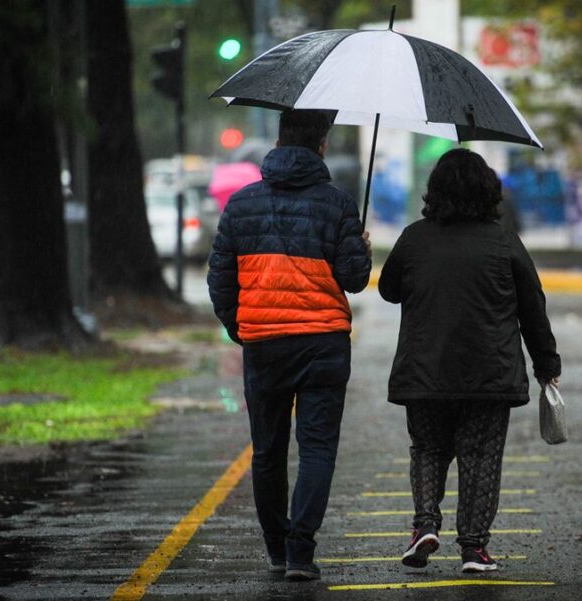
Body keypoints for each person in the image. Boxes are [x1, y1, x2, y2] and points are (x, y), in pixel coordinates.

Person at [207, 109, 372, 581]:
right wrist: (360, 245)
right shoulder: (338, 204)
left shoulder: (240, 205)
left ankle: (276, 549)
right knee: (317, 448)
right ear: (321, 145)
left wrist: (241, 327)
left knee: (267, 450)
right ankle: (301, 552)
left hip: (264, 344)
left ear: (279, 141)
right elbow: (355, 280)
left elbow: (219, 278)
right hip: (323, 344)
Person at [378, 148, 560, 574]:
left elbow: (388, 290)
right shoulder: (504, 242)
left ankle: (424, 524)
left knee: (427, 449)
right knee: (480, 458)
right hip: (489, 374)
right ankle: (474, 549)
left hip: (424, 372)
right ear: (487, 191)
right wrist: (546, 363)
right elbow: (533, 308)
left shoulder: (414, 238)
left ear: (435, 190)